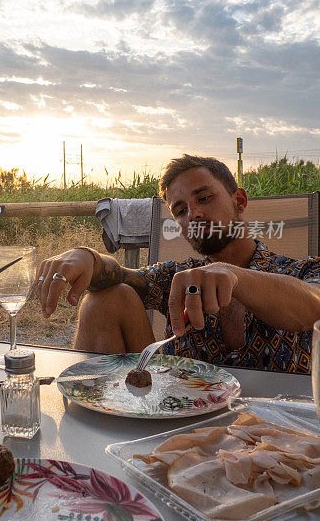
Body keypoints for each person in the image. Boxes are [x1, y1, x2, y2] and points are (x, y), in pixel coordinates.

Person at [36, 154, 320, 374]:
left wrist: (235, 276)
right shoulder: (179, 277)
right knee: (106, 298)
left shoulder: (301, 272)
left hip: (274, 437)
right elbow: (121, 276)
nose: (193, 214)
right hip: (180, 431)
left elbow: (314, 301)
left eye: (205, 198)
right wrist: (87, 255)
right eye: (180, 210)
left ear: (240, 201)